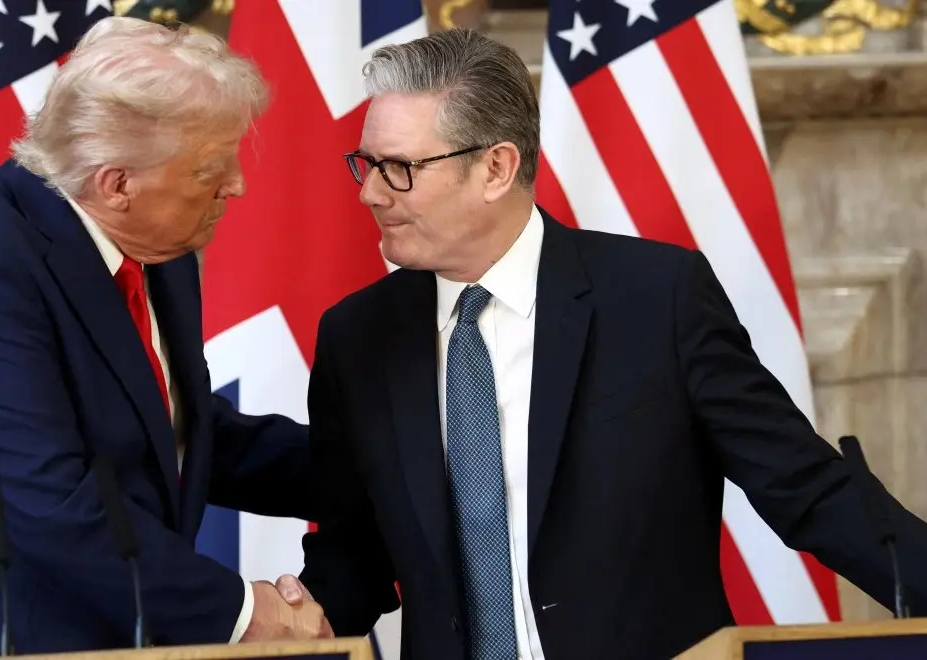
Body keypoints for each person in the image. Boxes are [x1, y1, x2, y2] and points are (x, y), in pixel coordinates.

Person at [290, 27, 927, 660]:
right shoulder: (358, 337)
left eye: (399, 168)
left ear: (496, 168)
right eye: (366, 164)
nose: (370, 192)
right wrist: (273, 621)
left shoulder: (658, 299)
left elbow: (807, 490)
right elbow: (354, 554)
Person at [0, 17, 329, 659]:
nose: (236, 184)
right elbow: (47, 503)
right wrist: (239, 614)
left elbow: (167, 430)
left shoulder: (156, 246)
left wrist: (382, 469)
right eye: (210, 167)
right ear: (117, 184)